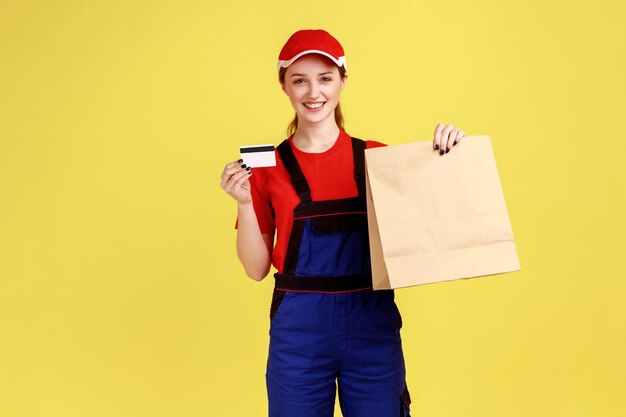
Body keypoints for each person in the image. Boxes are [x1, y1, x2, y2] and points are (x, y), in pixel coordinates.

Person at [220, 29, 467, 417]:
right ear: (283, 85)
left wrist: (448, 155)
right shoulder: (265, 168)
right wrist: (244, 202)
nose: (313, 92)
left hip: (371, 325)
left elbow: (435, 226)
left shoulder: (379, 158)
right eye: (299, 80)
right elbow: (255, 269)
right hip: (299, 334)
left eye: (325, 78)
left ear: (343, 81)